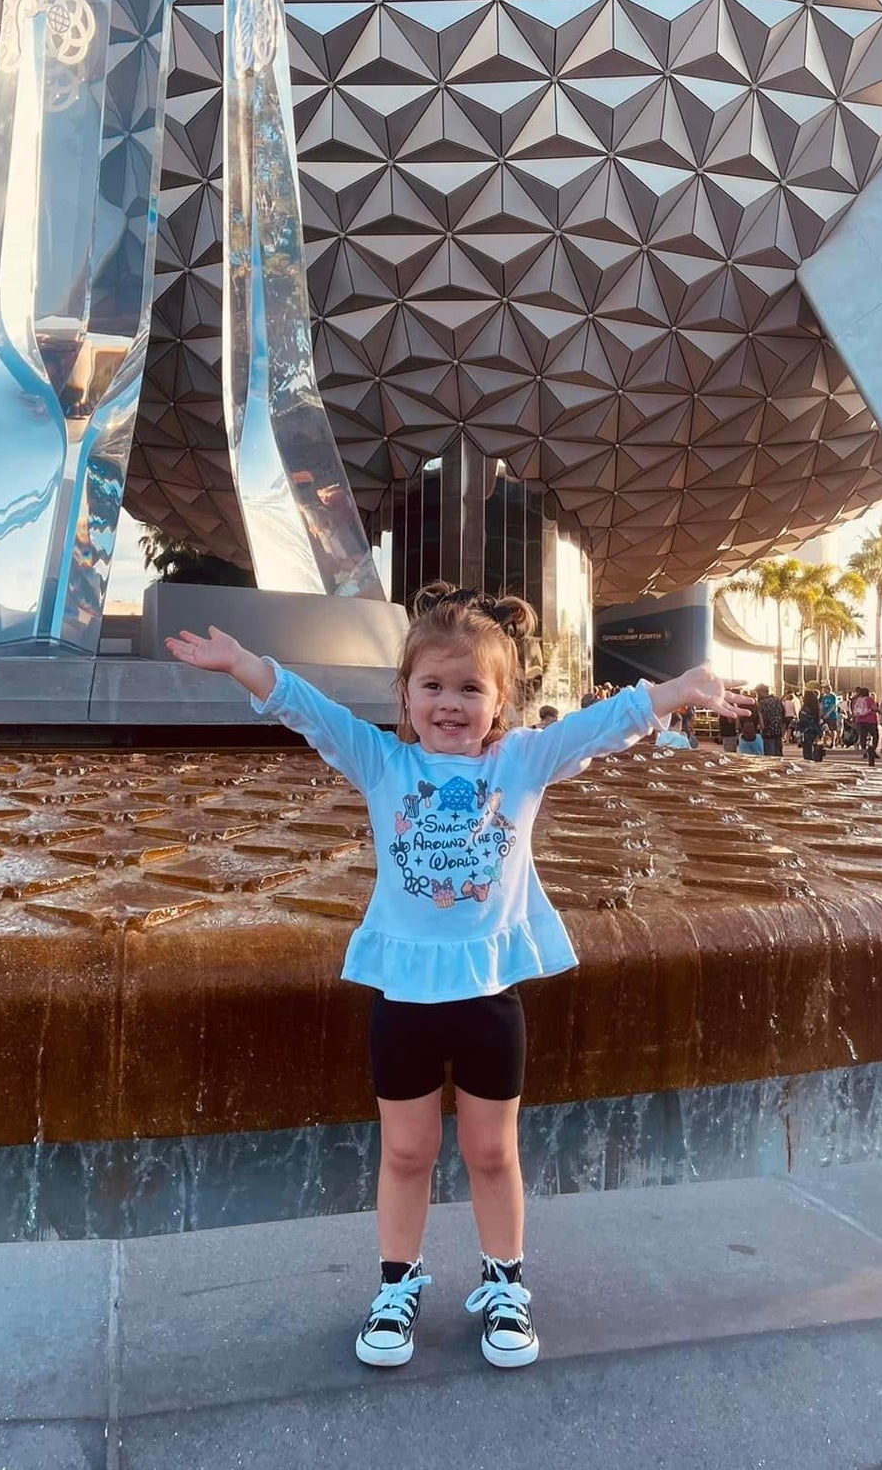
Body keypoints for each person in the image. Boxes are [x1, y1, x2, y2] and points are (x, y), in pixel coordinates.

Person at [165, 583, 746, 1371]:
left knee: (490, 1152)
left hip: (487, 999)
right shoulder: (382, 762)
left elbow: (601, 725)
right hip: (402, 1001)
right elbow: (309, 709)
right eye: (432, 685)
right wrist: (242, 664)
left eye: (470, 687)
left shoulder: (521, 761)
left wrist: (678, 689)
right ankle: (395, 1286)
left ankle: (504, 1283)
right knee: (405, 1153)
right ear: (403, 694)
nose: (449, 702)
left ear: (500, 700)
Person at [755, 683, 786, 757]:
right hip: (778, 731)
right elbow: (783, 714)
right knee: (778, 754)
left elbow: (760, 718)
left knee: (770, 756)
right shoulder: (777, 700)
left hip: (767, 732)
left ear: (760, 692)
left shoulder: (762, 703)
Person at [850, 685, 878, 765]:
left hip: (860, 720)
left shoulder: (857, 700)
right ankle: (872, 751)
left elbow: (854, 710)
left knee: (863, 736)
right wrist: (879, 712)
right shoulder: (869, 699)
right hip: (871, 720)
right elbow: (874, 708)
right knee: (874, 735)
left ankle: (864, 751)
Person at [795, 687, 824, 761]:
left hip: (807, 730)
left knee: (807, 750)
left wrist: (798, 728)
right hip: (815, 730)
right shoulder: (816, 708)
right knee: (814, 748)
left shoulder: (805, 709)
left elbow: (803, 721)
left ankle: (809, 763)